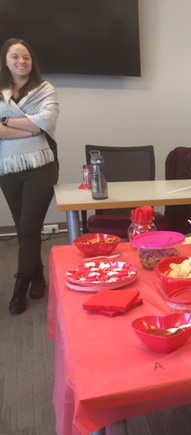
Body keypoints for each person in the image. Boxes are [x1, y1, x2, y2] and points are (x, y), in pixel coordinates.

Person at [0, 38, 59, 315]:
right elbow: (36, 126)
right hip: (8, 168)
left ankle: (20, 285)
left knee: (27, 229)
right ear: (6, 60)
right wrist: (30, 127)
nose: (21, 61)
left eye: (26, 57)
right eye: (15, 57)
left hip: (41, 167)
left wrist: (5, 121)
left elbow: (46, 123)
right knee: (24, 227)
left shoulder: (45, 89)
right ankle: (37, 275)